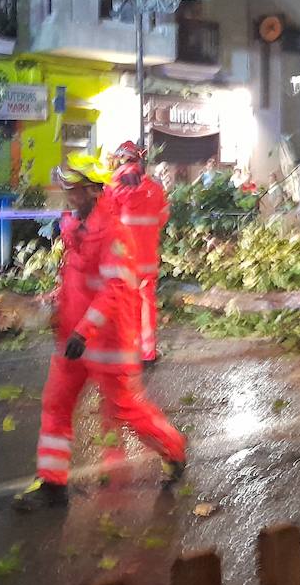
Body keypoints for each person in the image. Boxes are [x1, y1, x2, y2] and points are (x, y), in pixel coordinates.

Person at [13, 153, 187, 511]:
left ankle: (174, 449)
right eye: (66, 187)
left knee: (127, 410)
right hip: (72, 338)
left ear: (93, 191)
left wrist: (84, 331)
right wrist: (55, 309)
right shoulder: (74, 226)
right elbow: (76, 282)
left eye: (74, 188)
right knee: (56, 404)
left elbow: (115, 289)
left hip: (106, 340)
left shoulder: (113, 232)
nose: (67, 194)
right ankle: (52, 483)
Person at [108, 141, 169, 365]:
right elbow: (162, 218)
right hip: (147, 259)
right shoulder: (155, 189)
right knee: (146, 305)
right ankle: (148, 352)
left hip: (123, 260)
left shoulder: (113, 187)